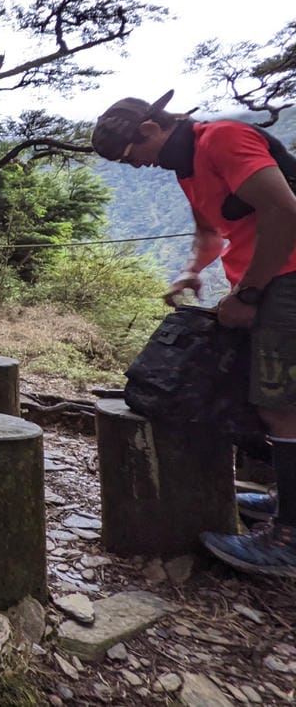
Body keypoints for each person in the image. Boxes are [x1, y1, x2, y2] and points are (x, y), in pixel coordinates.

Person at [92, 92, 296, 577]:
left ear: (148, 131)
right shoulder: (187, 167)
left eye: (130, 156)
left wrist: (248, 295)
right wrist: (190, 273)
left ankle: (289, 539)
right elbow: (211, 232)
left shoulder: (222, 139)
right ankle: (282, 499)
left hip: (287, 278)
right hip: (265, 280)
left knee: (280, 405)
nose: (137, 167)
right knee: (271, 400)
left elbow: (284, 209)